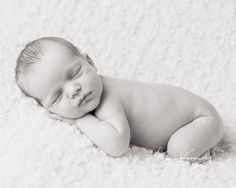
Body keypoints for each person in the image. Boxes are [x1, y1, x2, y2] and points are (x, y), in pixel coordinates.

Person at [15, 37, 224, 162]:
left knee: (180, 150)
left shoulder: (108, 99)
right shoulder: (92, 95)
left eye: (75, 73)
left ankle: (209, 152)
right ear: (44, 107)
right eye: (58, 96)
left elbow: (117, 144)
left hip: (199, 120)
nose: (74, 90)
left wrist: (80, 121)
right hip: (191, 116)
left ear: (90, 62)